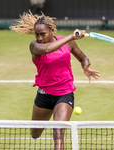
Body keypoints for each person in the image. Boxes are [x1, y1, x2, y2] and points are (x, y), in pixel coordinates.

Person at [10, 10, 100, 150]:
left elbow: (83, 57)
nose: (39, 38)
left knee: (58, 133)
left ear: (52, 30)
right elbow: (47, 50)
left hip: (64, 94)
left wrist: (85, 66)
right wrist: (71, 37)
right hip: (44, 94)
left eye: (43, 34)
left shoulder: (69, 44)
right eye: (37, 34)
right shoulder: (35, 46)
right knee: (35, 134)